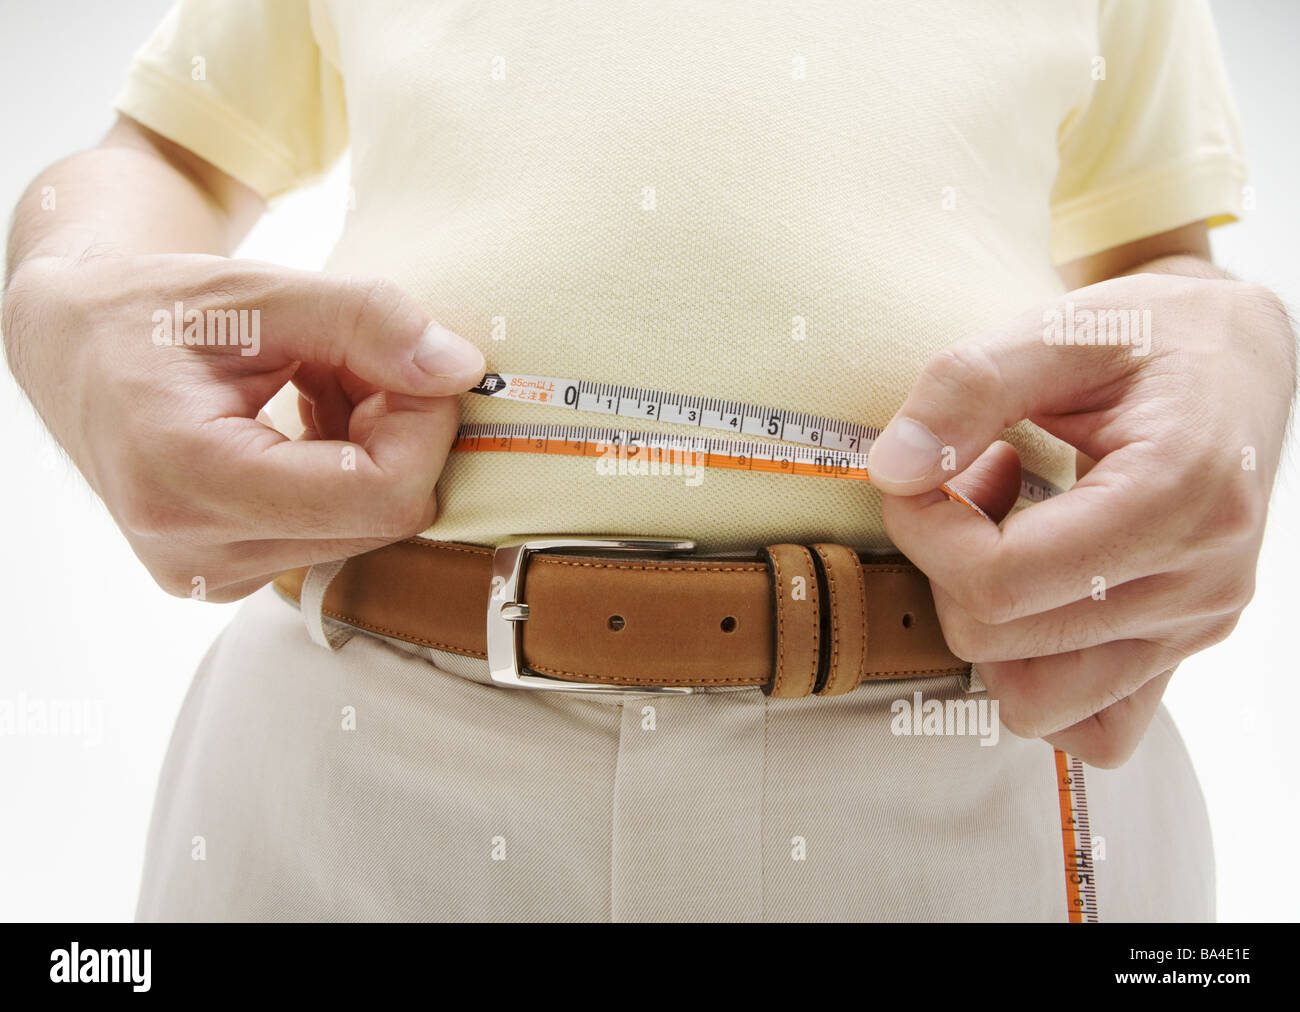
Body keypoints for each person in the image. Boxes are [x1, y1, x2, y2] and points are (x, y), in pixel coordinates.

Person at [2, 0, 1292, 921]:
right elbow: (162, 156)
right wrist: (66, 291)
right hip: (365, 759)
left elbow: (1152, 274)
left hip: (973, 760)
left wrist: (1237, 344)